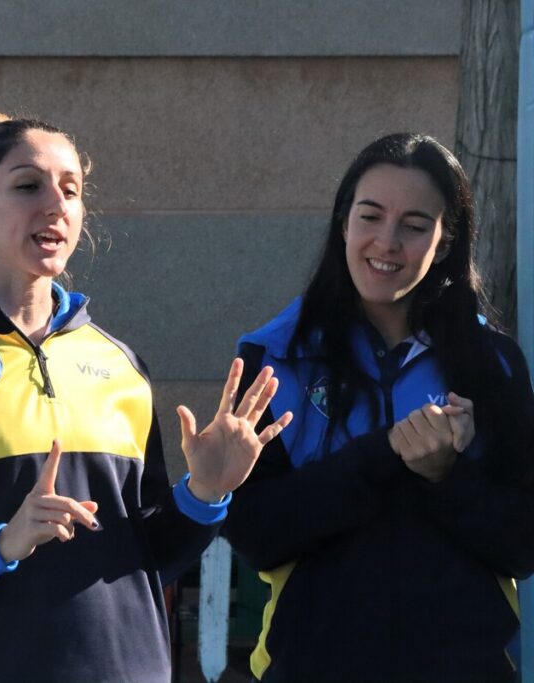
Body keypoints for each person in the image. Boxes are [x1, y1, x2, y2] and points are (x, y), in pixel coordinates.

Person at [0, 111, 292, 683]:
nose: (56, 205)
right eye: (27, 186)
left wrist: (204, 494)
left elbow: (142, 562)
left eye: (71, 190)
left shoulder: (120, 365)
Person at [224, 132, 534, 683]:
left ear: (444, 242)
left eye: (415, 226)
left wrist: (448, 478)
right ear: (344, 223)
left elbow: (522, 547)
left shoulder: (495, 364)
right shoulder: (274, 356)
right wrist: (383, 454)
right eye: (370, 217)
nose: (387, 242)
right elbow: (256, 536)